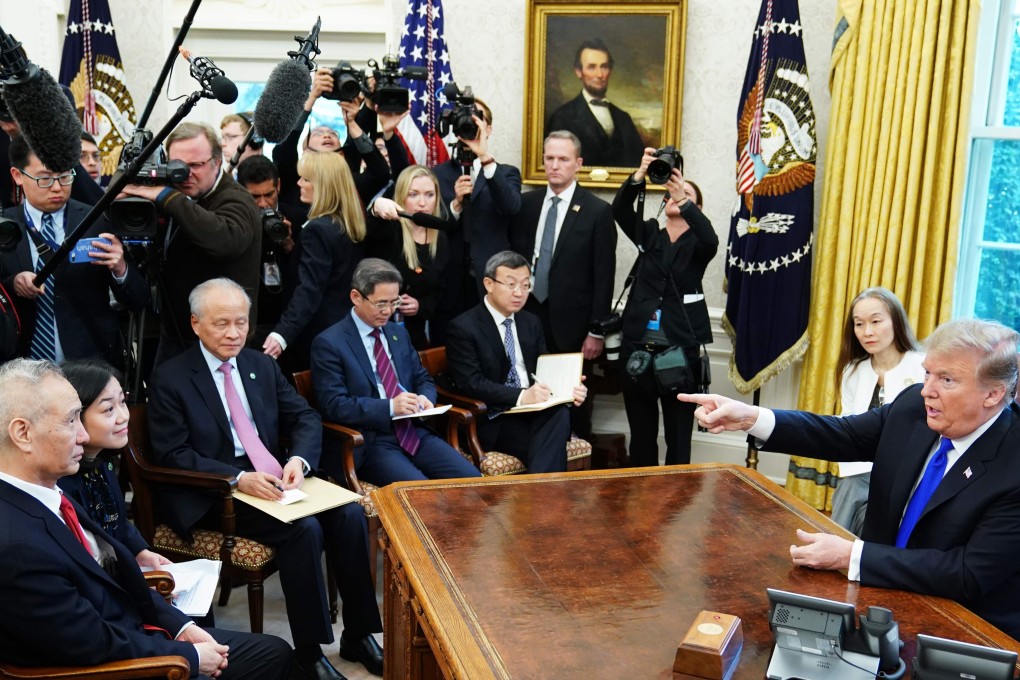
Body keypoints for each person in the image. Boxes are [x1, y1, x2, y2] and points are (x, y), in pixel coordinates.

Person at [679, 318, 1020, 640]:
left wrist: (852, 556)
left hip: (966, 628)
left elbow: (967, 573)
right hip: (879, 601)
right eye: (928, 373)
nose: (926, 391)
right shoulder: (912, 409)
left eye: (947, 380)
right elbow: (843, 436)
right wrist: (751, 417)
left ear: (993, 394)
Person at [148, 279, 384, 679]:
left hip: (276, 483)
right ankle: (308, 652)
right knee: (303, 530)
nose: (234, 333)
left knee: (348, 514)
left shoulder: (259, 364)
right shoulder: (171, 377)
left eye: (242, 322)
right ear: (195, 323)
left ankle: (358, 634)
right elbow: (173, 453)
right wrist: (238, 478)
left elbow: (304, 416)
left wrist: (299, 461)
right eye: (222, 323)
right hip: (215, 494)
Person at [0, 358, 293, 679]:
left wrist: (181, 626)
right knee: (272, 659)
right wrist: (189, 656)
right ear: (23, 433)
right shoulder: (15, 543)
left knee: (275, 652)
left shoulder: (48, 491)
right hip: (119, 664)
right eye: (72, 420)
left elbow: (118, 571)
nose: (83, 435)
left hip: (136, 633)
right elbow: (89, 642)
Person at [310, 258, 482, 486]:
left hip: (413, 429)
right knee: (420, 492)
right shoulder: (330, 343)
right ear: (356, 297)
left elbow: (422, 378)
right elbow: (334, 405)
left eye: (395, 302)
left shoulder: (397, 333)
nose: (389, 311)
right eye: (381, 303)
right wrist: (390, 407)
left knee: (473, 481)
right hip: (371, 440)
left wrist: (425, 399)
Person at [119, 122, 262, 366]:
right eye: (177, 166)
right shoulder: (182, 195)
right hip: (175, 333)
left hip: (219, 343)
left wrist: (167, 198)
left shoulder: (236, 199)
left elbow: (224, 240)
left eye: (195, 165)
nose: (185, 174)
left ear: (217, 162)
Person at [1, 134, 147, 368]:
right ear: (18, 176)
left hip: (91, 366)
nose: (57, 187)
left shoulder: (97, 220)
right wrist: (13, 284)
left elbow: (139, 299)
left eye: (65, 176)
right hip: (23, 367)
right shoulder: (5, 227)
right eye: (45, 179)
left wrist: (121, 269)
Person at [611, 148, 717, 466]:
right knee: (641, 438)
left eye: (686, 195)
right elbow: (619, 210)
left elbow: (711, 238)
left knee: (677, 439)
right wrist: (640, 174)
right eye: (671, 193)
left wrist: (681, 193)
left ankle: (675, 507)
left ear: (694, 207)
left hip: (679, 353)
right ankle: (642, 504)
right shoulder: (650, 234)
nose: (675, 196)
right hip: (638, 351)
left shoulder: (698, 246)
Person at [510, 130, 616, 438]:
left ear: (578, 163)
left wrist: (596, 330)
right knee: (528, 389)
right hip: (527, 316)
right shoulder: (526, 205)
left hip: (573, 326)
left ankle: (576, 465)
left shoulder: (597, 211)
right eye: (550, 158)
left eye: (563, 159)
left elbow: (604, 275)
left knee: (573, 401)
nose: (555, 165)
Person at [446, 251, 587, 473]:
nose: (519, 293)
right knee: (551, 441)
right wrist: (522, 396)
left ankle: (541, 496)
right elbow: (471, 383)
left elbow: (545, 369)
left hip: (534, 410)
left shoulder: (531, 322)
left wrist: (569, 388)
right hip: (496, 417)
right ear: (489, 284)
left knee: (560, 413)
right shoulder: (463, 327)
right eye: (511, 285)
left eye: (525, 285)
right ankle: (549, 496)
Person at [56, 359, 171, 569]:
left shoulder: (101, 463)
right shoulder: (61, 481)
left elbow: (117, 521)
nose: (123, 416)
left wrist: (140, 551)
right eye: (108, 409)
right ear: (75, 416)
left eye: (123, 402)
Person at [829, 287, 925, 535]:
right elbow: (847, 427)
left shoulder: (921, 367)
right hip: (860, 469)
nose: (867, 332)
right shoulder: (853, 370)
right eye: (859, 324)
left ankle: (834, 548)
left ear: (896, 321)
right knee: (853, 488)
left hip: (907, 470)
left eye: (876, 321)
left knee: (852, 492)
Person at [262, 152, 366, 372]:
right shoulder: (343, 223)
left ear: (323, 185)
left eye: (306, 179)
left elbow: (309, 290)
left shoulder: (318, 229)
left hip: (316, 336)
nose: (299, 183)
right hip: (342, 331)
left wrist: (282, 335)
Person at [273, 67, 409, 208]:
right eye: (317, 134)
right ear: (305, 152)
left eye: (333, 134)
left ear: (342, 154)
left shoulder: (351, 184)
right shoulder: (296, 183)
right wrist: (311, 97)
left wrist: (356, 117)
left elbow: (379, 171)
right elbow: (284, 148)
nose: (326, 135)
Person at [432, 97, 522, 301]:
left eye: (477, 120)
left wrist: (484, 157)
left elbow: (511, 208)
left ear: (488, 129)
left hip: (491, 276)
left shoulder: (506, 173)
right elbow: (432, 226)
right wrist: (455, 205)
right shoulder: (439, 174)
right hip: (449, 277)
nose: (470, 125)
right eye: (466, 120)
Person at [367, 165, 453, 349]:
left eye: (429, 194)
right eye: (413, 194)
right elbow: (369, 231)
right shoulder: (390, 230)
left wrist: (420, 305)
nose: (423, 203)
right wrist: (376, 206)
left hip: (415, 334)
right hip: (377, 330)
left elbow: (442, 289)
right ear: (401, 196)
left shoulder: (441, 238)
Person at [236, 155, 304, 348]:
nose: (264, 203)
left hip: (286, 320)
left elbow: (307, 277)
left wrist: (289, 245)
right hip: (249, 320)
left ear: (279, 186)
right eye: (255, 197)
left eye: (269, 194)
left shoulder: (297, 218)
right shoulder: (234, 221)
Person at [545, 38, 645, 168]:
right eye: (592, 67)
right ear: (578, 72)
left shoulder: (623, 118)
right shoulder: (562, 117)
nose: (599, 74)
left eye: (604, 67)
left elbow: (638, 165)